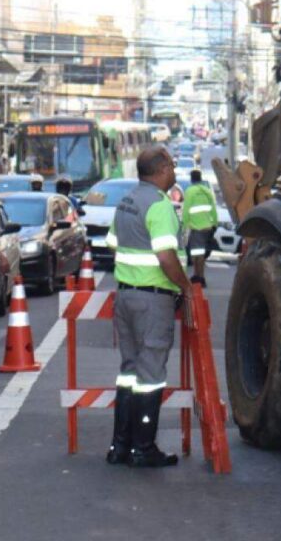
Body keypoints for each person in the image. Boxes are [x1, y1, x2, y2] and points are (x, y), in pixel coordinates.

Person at [106, 146, 194, 468]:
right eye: (171, 164)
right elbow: (166, 257)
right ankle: (143, 449)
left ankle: (120, 446)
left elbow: (113, 243)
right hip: (152, 298)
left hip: (125, 296)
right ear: (160, 170)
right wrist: (185, 286)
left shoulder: (128, 200)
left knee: (129, 371)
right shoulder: (159, 206)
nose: (174, 169)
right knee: (151, 376)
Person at [181, 169, 218, 288]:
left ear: (191, 179)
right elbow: (213, 209)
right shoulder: (207, 191)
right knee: (199, 253)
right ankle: (198, 276)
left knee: (196, 254)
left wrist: (184, 226)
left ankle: (199, 277)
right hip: (207, 227)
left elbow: (186, 211)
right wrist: (214, 225)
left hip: (196, 227)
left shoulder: (190, 192)